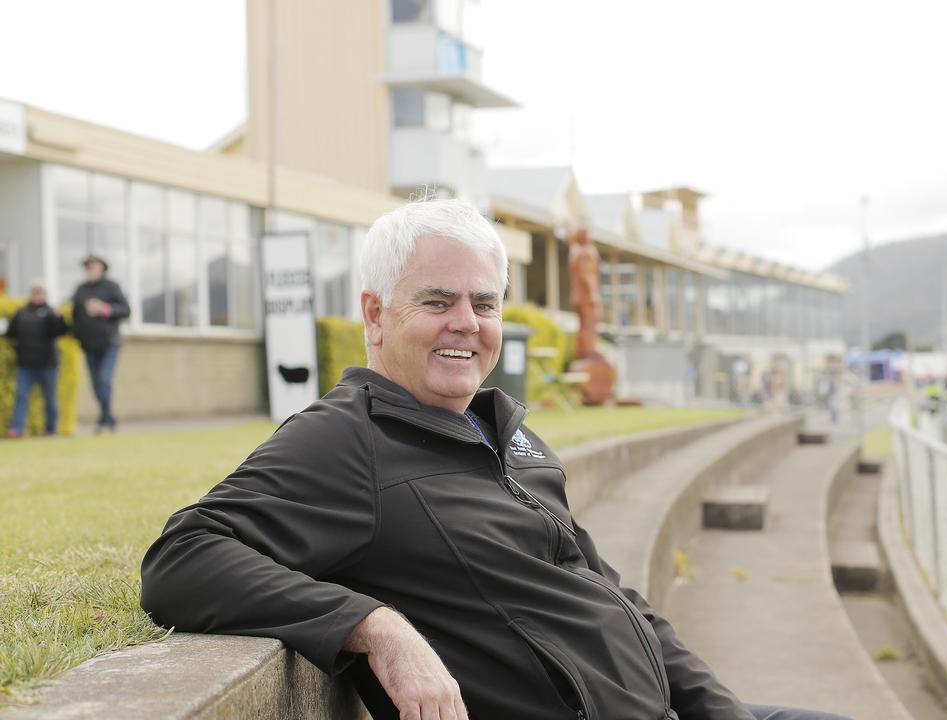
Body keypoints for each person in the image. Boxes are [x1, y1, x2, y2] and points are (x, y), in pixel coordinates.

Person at [141, 199, 851, 720]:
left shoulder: (510, 438)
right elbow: (183, 557)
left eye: (485, 303)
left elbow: (611, 597)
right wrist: (376, 626)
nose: (467, 323)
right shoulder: (345, 439)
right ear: (375, 314)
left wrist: (721, 712)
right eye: (437, 301)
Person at [71, 254, 130, 433]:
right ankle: (108, 419)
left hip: (109, 342)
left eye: (93, 266)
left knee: (104, 379)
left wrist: (105, 309)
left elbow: (126, 310)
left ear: (102, 267)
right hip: (89, 344)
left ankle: (104, 420)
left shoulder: (111, 286)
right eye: (87, 266)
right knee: (96, 384)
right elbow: (75, 315)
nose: (90, 269)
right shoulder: (80, 289)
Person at [5, 280, 69, 438]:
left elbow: (61, 331)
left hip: (48, 364)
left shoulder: (51, 313)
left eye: (40, 293)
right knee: (21, 397)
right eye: (35, 293)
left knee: (50, 399)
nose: (37, 296)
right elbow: (11, 333)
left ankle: (51, 430)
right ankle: (17, 429)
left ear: (45, 295)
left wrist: (59, 318)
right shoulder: (21, 313)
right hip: (25, 364)